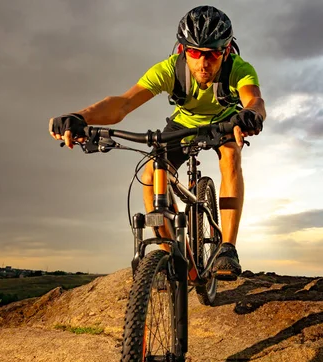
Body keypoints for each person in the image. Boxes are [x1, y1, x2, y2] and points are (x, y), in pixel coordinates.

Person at [49, 5, 266, 281]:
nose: (203, 63)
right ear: (183, 50)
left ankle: (227, 248)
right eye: (195, 53)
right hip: (184, 124)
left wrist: (251, 116)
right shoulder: (169, 70)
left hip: (225, 121)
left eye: (212, 54)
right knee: (151, 175)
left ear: (225, 51)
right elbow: (123, 104)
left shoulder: (239, 69)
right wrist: (80, 117)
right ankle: (174, 258)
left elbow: (254, 100)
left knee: (231, 156)